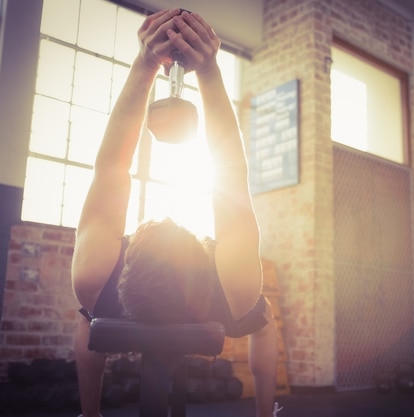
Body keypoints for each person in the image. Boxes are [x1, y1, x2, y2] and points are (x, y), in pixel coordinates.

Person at [71, 9, 281, 417]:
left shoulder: (97, 275)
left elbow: (112, 167)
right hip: (215, 306)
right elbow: (233, 173)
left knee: (88, 313)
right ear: (202, 262)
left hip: (122, 302)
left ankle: (89, 414)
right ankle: (264, 414)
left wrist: (144, 64)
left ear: (126, 260)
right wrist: (209, 71)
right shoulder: (235, 289)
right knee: (264, 315)